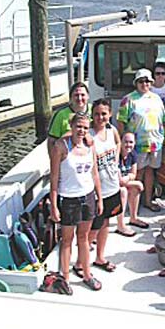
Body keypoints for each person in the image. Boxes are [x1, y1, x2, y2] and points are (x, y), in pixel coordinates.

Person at [50, 111, 102, 291]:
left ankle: (87, 273)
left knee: (84, 238)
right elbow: (54, 178)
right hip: (69, 199)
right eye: (78, 126)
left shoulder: (90, 146)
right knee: (66, 240)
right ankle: (64, 277)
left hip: (87, 197)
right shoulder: (61, 147)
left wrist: (99, 198)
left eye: (85, 128)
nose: (81, 130)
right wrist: (54, 206)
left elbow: (94, 174)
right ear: (71, 127)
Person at [74, 99, 122, 275]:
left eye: (104, 114)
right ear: (91, 116)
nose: (100, 117)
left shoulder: (112, 130)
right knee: (92, 229)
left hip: (112, 186)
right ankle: (80, 262)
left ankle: (100, 257)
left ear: (110, 114)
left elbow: (118, 143)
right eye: (96, 114)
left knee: (106, 223)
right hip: (96, 190)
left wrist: (116, 157)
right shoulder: (89, 136)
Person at [117, 68, 165, 212]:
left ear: (151, 83)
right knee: (137, 173)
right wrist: (124, 142)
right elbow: (121, 121)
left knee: (150, 172)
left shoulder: (157, 98)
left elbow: (163, 119)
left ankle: (147, 201)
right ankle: (133, 205)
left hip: (155, 143)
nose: (144, 83)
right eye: (141, 81)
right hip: (136, 145)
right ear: (136, 83)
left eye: (147, 81)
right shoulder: (128, 99)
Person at [116, 132, 147, 235]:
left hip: (125, 181)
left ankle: (133, 218)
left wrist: (129, 179)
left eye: (131, 142)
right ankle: (120, 225)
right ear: (120, 142)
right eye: (125, 142)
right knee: (123, 191)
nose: (128, 145)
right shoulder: (117, 155)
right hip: (111, 185)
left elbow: (133, 174)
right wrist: (135, 182)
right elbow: (118, 181)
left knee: (135, 189)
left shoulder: (133, 154)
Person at [47, 82, 90, 154]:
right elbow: (52, 140)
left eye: (83, 95)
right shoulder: (61, 115)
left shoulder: (94, 110)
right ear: (71, 98)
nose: (79, 98)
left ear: (88, 96)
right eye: (76, 95)